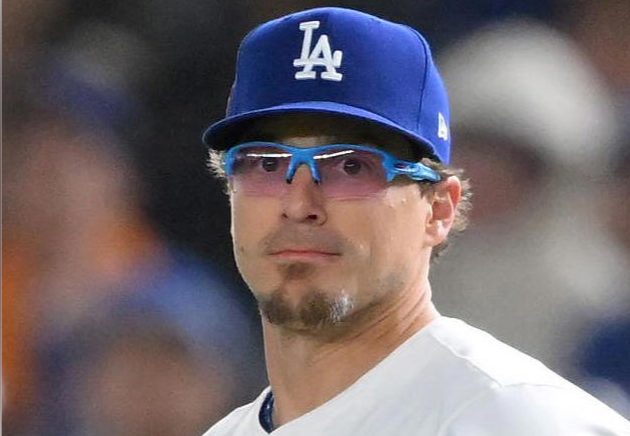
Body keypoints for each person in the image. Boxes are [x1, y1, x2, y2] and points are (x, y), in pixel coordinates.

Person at [200, 7, 630, 435]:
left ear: (439, 209)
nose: (299, 204)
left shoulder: (519, 419)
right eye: (266, 164)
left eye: (351, 166)